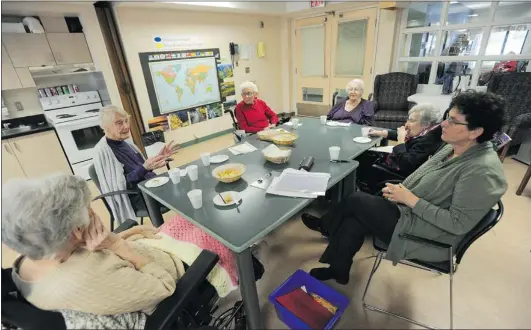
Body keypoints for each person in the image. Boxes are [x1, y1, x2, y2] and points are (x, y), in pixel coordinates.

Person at [2, 174, 262, 328]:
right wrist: (118, 245)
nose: (92, 213)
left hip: (142, 253)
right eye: (89, 211)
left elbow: (97, 254)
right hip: (172, 272)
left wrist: (126, 235)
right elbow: (164, 287)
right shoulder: (85, 280)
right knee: (216, 230)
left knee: (187, 220)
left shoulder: (31, 258)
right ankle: (248, 265)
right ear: (76, 231)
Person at [302, 90, 507, 285]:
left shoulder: (483, 171)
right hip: (410, 212)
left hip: (429, 236)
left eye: (453, 121)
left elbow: (457, 224)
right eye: (447, 116)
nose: (444, 123)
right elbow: (420, 174)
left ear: (476, 132)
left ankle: (327, 225)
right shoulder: (453, 147)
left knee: (356, 200)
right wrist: (398, 191)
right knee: (355, 217)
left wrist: (409, 198)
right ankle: (338, 268)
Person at [93, 106, 179, 221]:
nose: (126, 126)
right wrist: (144, 168)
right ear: (105, 126)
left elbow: (140, 169)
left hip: (149, 186)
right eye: (119, 123)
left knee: (182, 183)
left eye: (126, 121)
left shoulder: (126, 143)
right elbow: (121, 185)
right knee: (180, 192)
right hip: (136, 196)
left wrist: (158, 158)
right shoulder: (103, 151)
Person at [357, 103, 443, 193]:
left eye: (411, 120)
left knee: (361, 160)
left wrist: (401, 141)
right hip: (397, 161)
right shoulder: (429, 131)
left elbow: (406, 164)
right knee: (368, 154)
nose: (406, 124)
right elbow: (408, 136)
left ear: (426, 124)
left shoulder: (428, 141)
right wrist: (380, 133)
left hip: (397, 172)